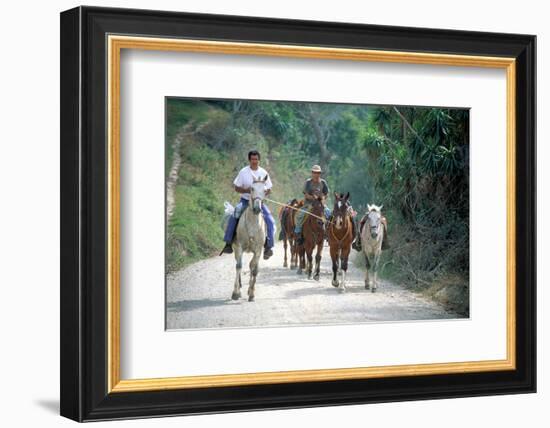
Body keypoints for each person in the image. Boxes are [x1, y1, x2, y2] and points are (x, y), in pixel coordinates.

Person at [220, 150, 276, 259]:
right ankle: (228, 242)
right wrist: (246, 190)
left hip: (259, 201)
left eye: (256, 159)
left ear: (259, 160)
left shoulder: (264, 173)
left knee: (270, 219)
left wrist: (263, 193)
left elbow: (269, 188)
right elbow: (236, 187)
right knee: (235, 214)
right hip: (245, 201)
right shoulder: (243, 172)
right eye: (252, 159)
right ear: (249, 160)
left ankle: (268, 246)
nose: (254, 161)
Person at [294, 165, 331, 245]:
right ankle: (298, 232)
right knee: (300, 214)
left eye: (317, 173)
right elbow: (306, 195)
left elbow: (326, 193)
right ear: (312, 173)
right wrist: (313, 198)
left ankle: (328, 232)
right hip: (309, 204)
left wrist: (322, 198)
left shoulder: (323, 183)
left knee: (329, 214)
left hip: (320, 204)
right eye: (314, 172)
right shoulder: (308, 182)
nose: (316, 174)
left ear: (320, 173)